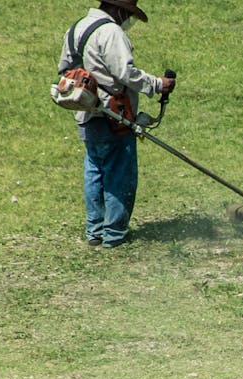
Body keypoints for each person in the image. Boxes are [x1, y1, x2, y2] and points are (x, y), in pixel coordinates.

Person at [58, 0, 175, 249]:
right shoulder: (111, 31)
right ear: (119, 10)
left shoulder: (76, 28)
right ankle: (114, 233)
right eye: (128, 14)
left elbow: (64, 71)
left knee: (94, 172)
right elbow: (126, 73)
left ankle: (95, 231)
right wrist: (157, 84)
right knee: (119, 174)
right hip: (113, 115)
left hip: (86, 114)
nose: (127, 20)